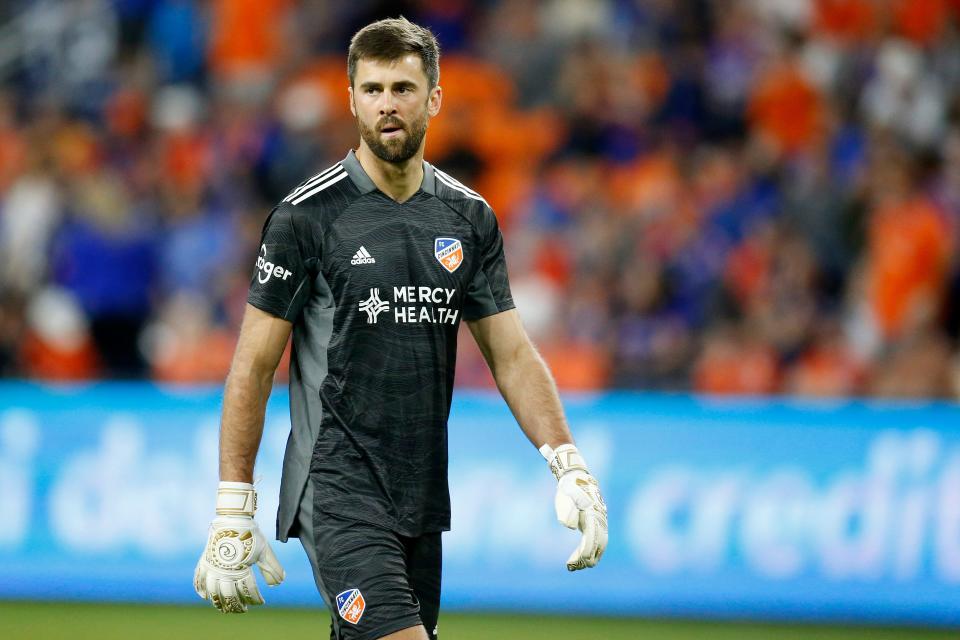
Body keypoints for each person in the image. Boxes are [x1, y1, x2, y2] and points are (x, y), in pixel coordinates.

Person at [194, 17, 607, 640]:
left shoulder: (469, 217)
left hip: (420, 493)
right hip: (335, 488)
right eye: (373, 89)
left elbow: (512, 354)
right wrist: (233, 503)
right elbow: (252, 366)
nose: (387, 105)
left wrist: (567, 462)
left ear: (434, 99)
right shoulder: (306, 217)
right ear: (352, 98)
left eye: (404, 89)